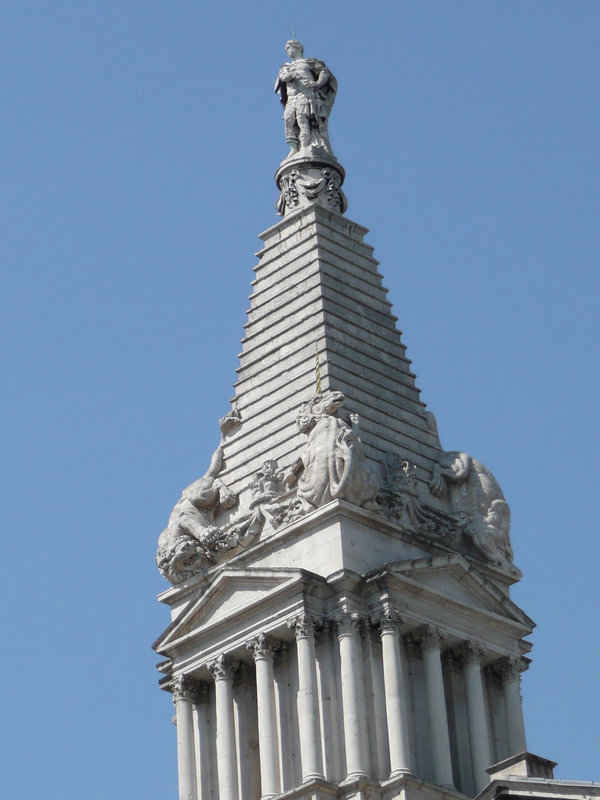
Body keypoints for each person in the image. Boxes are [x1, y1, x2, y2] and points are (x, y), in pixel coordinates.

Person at [274, 39, 337, 156]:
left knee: (303, 120)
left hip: (305, 96)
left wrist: (317, 83)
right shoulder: (286, 66)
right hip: (292, 98)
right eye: (286, 49)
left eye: (288, 48)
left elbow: (325, 72)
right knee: (289, 121)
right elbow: (283, 78)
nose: (287, 51)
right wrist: (290, 74)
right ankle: (293, 148)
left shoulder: (308, 62)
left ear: (297, 47)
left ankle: (304, 146)